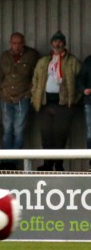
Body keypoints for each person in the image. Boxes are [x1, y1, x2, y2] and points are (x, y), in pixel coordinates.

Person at [31, 31, 81, 171]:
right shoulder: (43, 61)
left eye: (60, 41)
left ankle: (58, 164)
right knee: (46, 136)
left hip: (63, 105)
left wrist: (74, 99)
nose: (57, 44)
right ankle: (47, 164)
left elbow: (80, 81)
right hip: (45, 103)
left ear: (64, 44)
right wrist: (35, 95)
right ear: (51, 43)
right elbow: (35, 79)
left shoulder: (72, 61)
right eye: (55, 41)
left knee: (60, 135)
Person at [0, 32, 39, 170]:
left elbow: (36, 77)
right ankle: (5, 161)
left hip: (22, 98)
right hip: (6, 98)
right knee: (7, 129)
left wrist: (28, 94)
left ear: (24, 42)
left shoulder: (32, 55)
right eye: (14, 43)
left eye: (19, 43)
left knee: (18, 130)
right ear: (10, 43)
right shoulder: (4, 56)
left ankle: (12, 162)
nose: (17, 46)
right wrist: (1, 91)